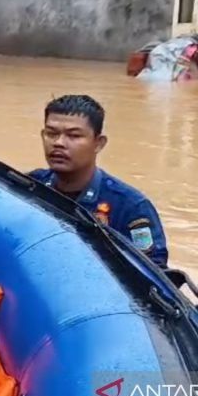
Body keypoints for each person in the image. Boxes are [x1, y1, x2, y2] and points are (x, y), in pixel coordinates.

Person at [28, 95, 168, 267]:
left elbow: (154, 276)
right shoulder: (27, 187)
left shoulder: (130, 207)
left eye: (73, 136)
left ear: (99, 143)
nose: (59, 143)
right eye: (51, 134)